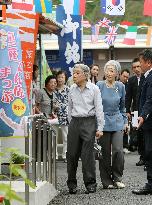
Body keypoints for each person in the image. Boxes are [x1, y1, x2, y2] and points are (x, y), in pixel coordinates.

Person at [67, 63, 104, 194]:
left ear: (85, 75)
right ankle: (71, 184)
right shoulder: (71, 88)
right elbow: (69, 108)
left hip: (89, 121)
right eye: (74, 73)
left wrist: (100, 127)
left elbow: (99, 108)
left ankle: (90, 183)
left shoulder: (94, 89)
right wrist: (71, 123)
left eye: (77, 73)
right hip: (75, 122)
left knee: (88, 155)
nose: (74, 75)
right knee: (71, 154)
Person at [97, 60, 128, 189]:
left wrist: (125, 122)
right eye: (107, 70)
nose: (109, 73)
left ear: (116, 72)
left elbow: (123, 107)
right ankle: (106, 181)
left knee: (118, 151)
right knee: (104, 152)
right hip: (103, 121)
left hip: (117, 121)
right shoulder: (99, 85)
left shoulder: (121, 86)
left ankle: (117, 178)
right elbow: (96, 106)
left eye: (112, 70)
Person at [132, 49, 152, 195]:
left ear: (148, 62)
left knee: (150, 152)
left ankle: (150, 184)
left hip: (150, 122)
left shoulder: (151, 77)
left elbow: (150, 99)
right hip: (147, 122)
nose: (139, 65)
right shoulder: (147, 76)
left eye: (141, 62)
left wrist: (143, 115)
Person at [125, 58, 145, 166]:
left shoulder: (146, 78)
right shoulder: (131, 80)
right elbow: (128, 97)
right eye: (134, 67)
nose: (137, 69)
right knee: (138, 134)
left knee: (146, 134)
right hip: (135, 112)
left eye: (138, 66)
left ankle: (147, 157)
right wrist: (127, 110)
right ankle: (142, 156)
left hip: (146, 111)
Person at [55, 70, 69, 162]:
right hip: (54, 116)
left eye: (62, 77)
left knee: (66, 137)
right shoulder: (53, 88)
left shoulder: (69, 89)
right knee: (54, 136)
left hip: (65, 116)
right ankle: (55, 155)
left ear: (65, 79)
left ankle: (65, 155)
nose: (60, 79)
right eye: (59, 77)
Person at [119, 69, 130, 154]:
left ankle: (125, 146)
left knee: (125, 127)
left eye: (127, 77)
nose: (125, 78)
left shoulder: (128, 85)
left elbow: (129, 99)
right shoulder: (116, 85)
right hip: (116, 109)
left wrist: (128, 111)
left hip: (125, 109)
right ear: (120, 75)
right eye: (124, 76)